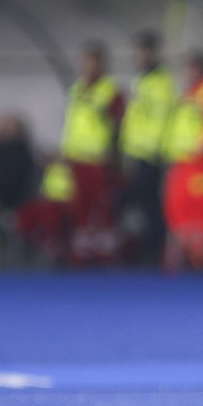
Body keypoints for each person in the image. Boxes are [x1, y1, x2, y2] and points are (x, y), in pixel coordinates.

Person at [56, 42, 125, 265]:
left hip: (98, 159)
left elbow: (119, 125)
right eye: (85, 61)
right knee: (79, 206)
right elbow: (72, 124)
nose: (88, 66)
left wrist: (114, 154)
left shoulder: (110, 91)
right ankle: (82, 251)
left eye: (93, 61)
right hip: (76, 157)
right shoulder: (76, 89)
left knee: (101, 207)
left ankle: (105, 252)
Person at [160, 50, 203, 271]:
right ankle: (184, 257)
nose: (185, 73)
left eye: (188, 68)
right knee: (177, 209)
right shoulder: (187, 95)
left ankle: (201, 261)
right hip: (181, 162)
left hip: (200, 164)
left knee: (199, 212)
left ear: (198, 69)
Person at [118, 30, 175, 265]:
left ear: (151, 53)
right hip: (137, 152)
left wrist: (157, 148)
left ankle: (152, 253)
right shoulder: (143, 80)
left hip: (150, 153)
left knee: (150, 205)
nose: (137, 57)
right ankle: (144, 250)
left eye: (141, 52)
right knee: (143, 203)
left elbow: (162, 118)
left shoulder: (160, 82)